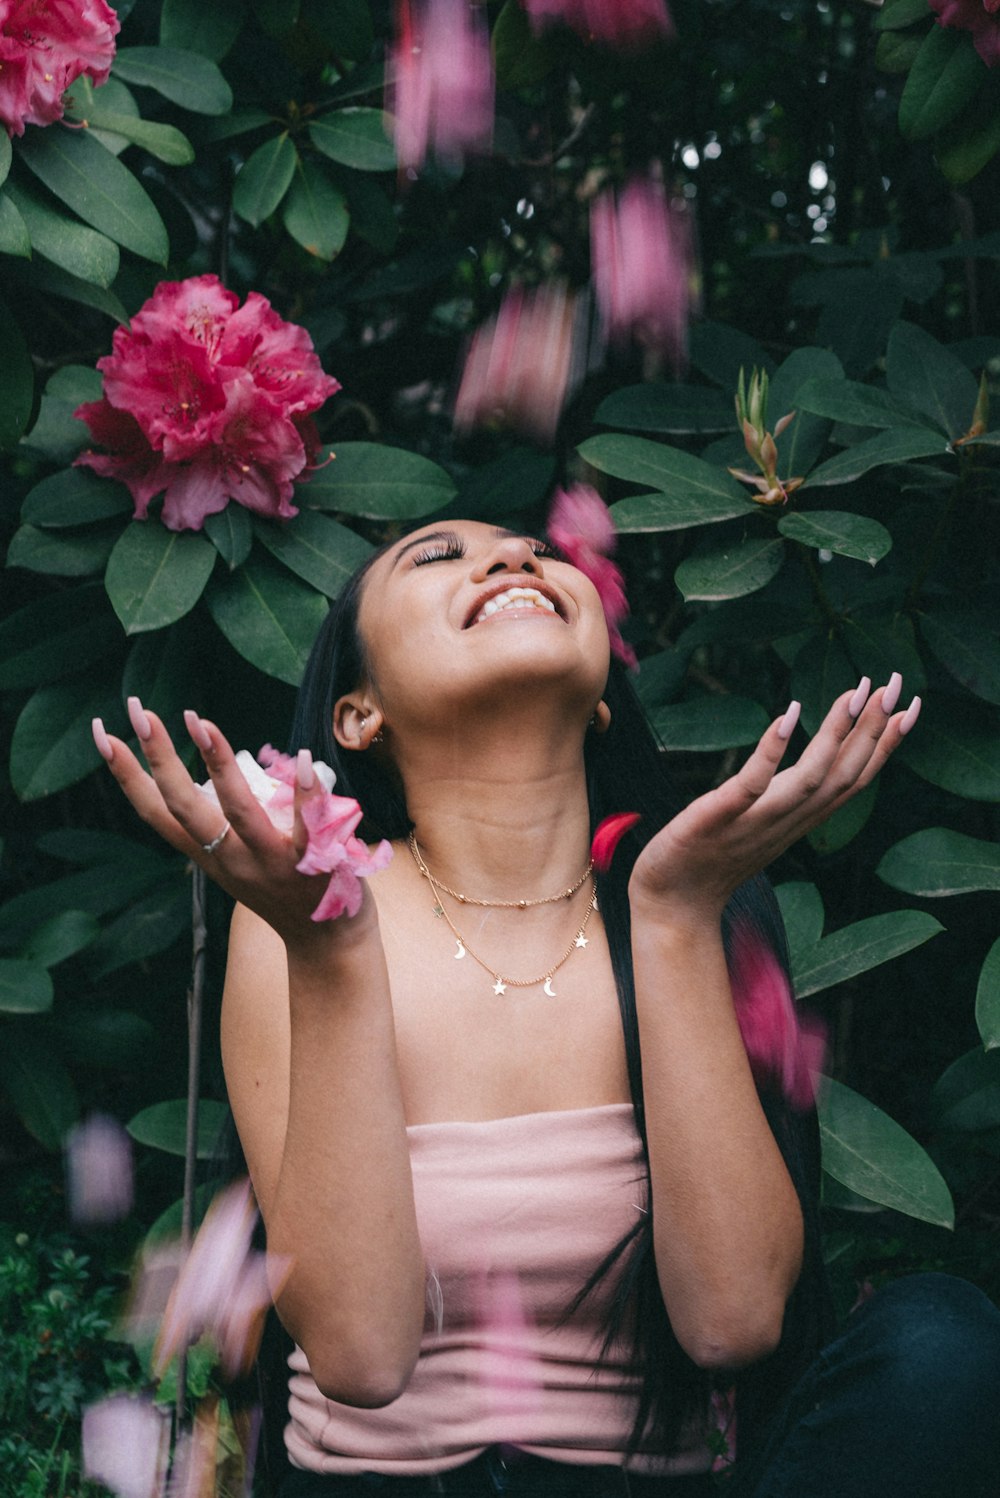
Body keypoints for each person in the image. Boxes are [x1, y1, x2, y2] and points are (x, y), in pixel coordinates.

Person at [93, 520, 1000, 1497]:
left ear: (605, 701)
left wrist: (675, 920)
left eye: (537, 548)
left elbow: (732, 1322)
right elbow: (356, 1357)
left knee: (937, 1343)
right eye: (438, 556)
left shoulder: (696, 897)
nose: (513, 559)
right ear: (358, 714)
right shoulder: (293, 918)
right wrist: (333, 955)